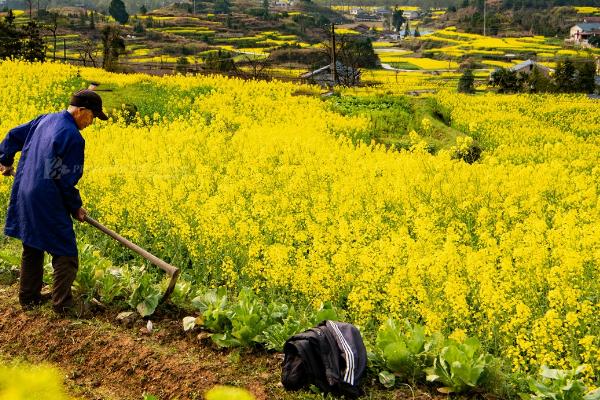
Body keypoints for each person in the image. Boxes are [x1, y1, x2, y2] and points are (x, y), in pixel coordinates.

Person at [0, 89, 107, 315]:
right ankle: (63, 304)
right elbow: (65, 179)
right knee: (66, 251)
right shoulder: (73, 137)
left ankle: (29, 298)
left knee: (33, 243)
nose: (92, 121)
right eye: (93, 116)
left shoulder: (45, 119)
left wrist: (5, 159)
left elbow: (13, 135)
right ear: (81, 111)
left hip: (25, 191)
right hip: (47, 196)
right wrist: (75, 206)